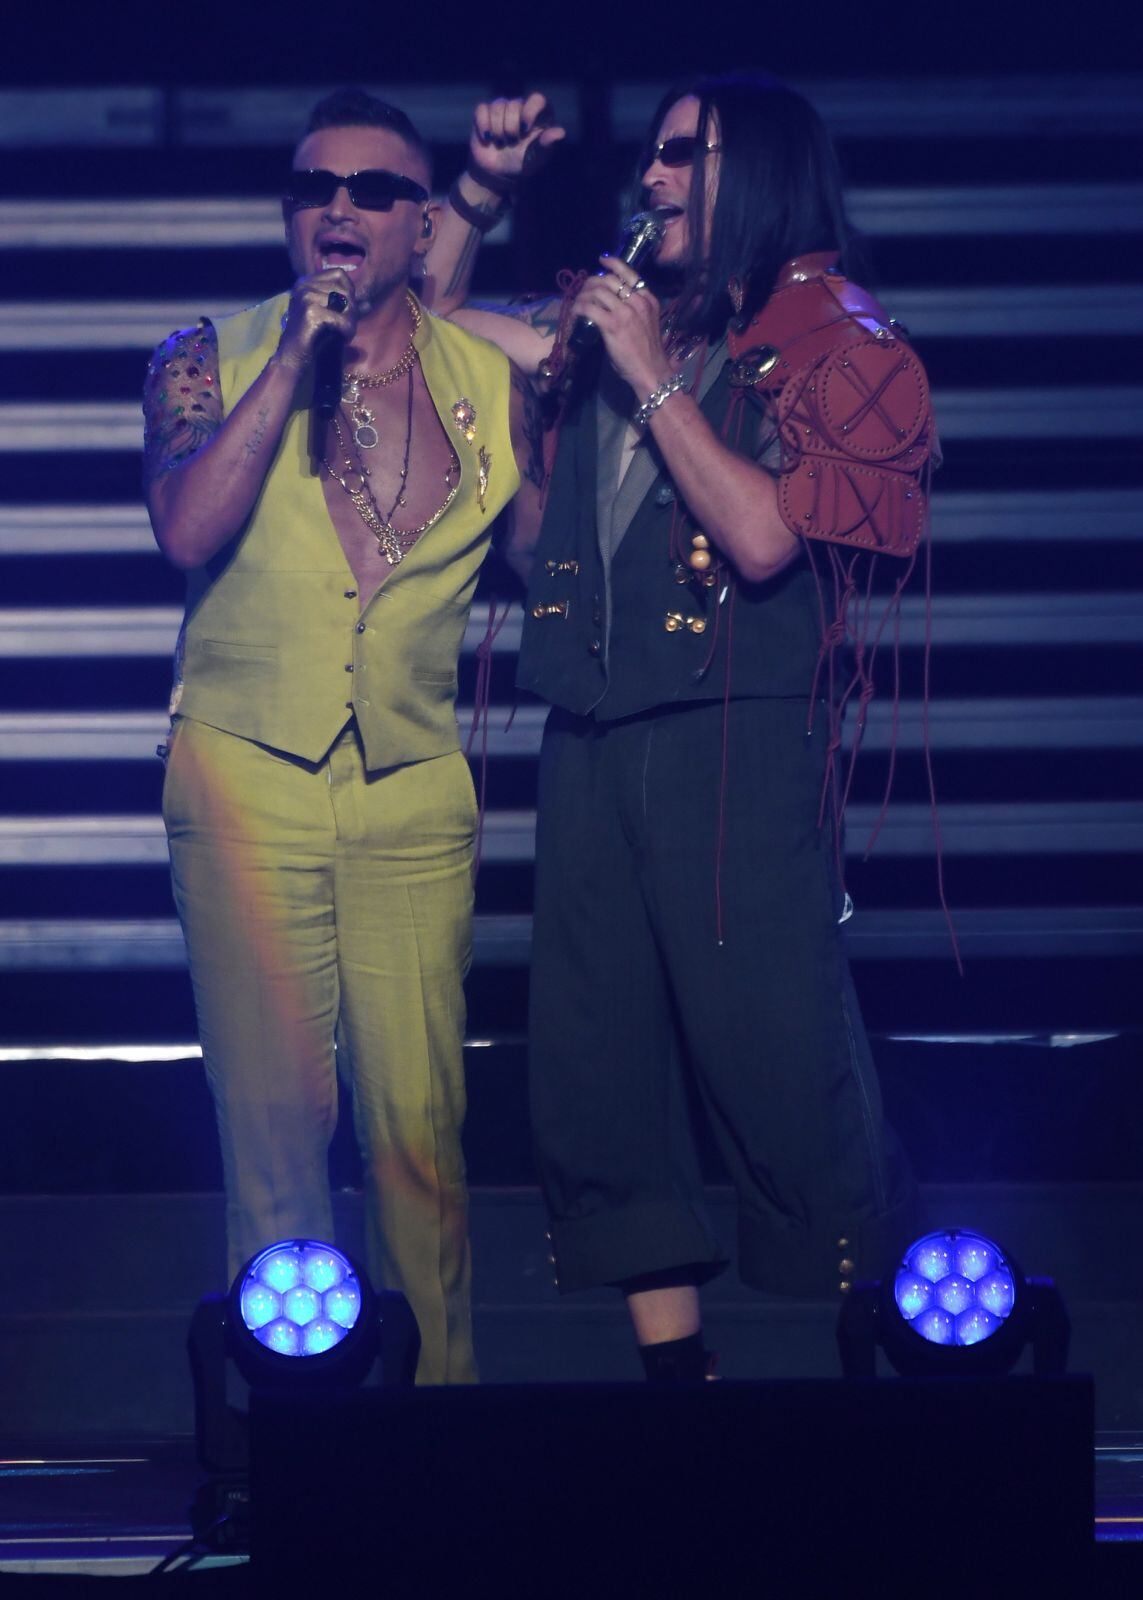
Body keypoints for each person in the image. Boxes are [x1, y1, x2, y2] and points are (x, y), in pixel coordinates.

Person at [438, 74, 929, 1379]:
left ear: (754, 173)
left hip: (733, 730)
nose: (648, 180)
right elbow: (426, 315)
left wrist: (653, 377)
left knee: (777, 1042)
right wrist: (480, 191)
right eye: (648, 159)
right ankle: (679, 1382)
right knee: (597, 1065)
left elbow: (767, 536)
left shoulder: (834, 334)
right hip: (594, 725)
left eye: (679, 158)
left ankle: (889, 1360)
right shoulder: (620, 323)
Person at [143, 88, 546, 1384]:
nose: (337, 208)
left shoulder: (495, 377)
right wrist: (292, 368)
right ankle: (292, 1448)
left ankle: (441, 1434)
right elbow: (188, 532)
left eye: (374, 190)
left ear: (420, 222)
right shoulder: (205, 354)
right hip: (247, 772)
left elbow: (553, 562)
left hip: (413, 787)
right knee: (276, 1134)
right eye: (314, 186)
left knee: (420, 1138)